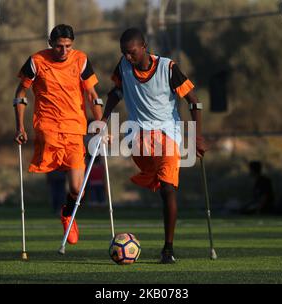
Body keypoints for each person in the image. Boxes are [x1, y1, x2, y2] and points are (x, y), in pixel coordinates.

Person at [100, 28, 206, 264]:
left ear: (144, 46)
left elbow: (194, 103)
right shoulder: (123, 66)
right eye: (124, 53)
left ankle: (168, 249)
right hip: (137, 136)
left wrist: (197, 137)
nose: (128, 58)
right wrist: (102, 121)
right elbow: (116, 92)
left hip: (168, 133)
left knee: (168, 189)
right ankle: (157, 175)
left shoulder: (168, 68)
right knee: (158, 179)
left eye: (132, 53)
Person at [13, 24, 103, 245]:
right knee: (55, 174)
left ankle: (67, 214)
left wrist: (100, 122)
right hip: (48, 128)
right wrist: (20, 127)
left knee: (77, 189)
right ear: (50, 43)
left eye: (68, 46)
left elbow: (92, 94)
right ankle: (58, 203)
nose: (64, 51)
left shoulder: (81, 60)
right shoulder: (36, 61)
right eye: (60, 46)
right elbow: (20, 93)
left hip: (74, 129)